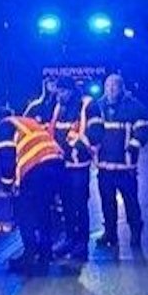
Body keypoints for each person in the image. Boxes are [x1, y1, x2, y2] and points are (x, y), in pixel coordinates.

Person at [24, 74, 94, 260]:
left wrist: (77, 145)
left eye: (63, 91)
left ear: (71, 91)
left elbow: (95, 133)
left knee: (80, 205)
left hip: (78, 167)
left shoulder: (86, 106)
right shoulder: (57, 107)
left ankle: (81, 243)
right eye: (58, 91)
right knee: (67, 205)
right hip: (61, 166)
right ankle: (69, 239)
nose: (59, 94)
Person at [0, 110, 65, 274]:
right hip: (56, 164)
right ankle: (45, 253)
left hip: (38, 169)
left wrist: (7, 186)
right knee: (43, 211)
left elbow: (7, 162)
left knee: (24, 212)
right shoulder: (24, 121)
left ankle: (29, 255)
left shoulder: (3, 127)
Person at [86, 72, 148, 256]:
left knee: (131, 202)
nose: (111, 89)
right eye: (108, 86)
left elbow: (143, 130)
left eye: (114, 86)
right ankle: (110, 233)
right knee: (107, 203)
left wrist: (133, 146)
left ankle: (135, 232)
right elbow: (92, 130)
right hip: (104, 166)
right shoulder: (98, 107)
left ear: (121, 87)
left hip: (125, 167)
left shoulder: (135, 107)